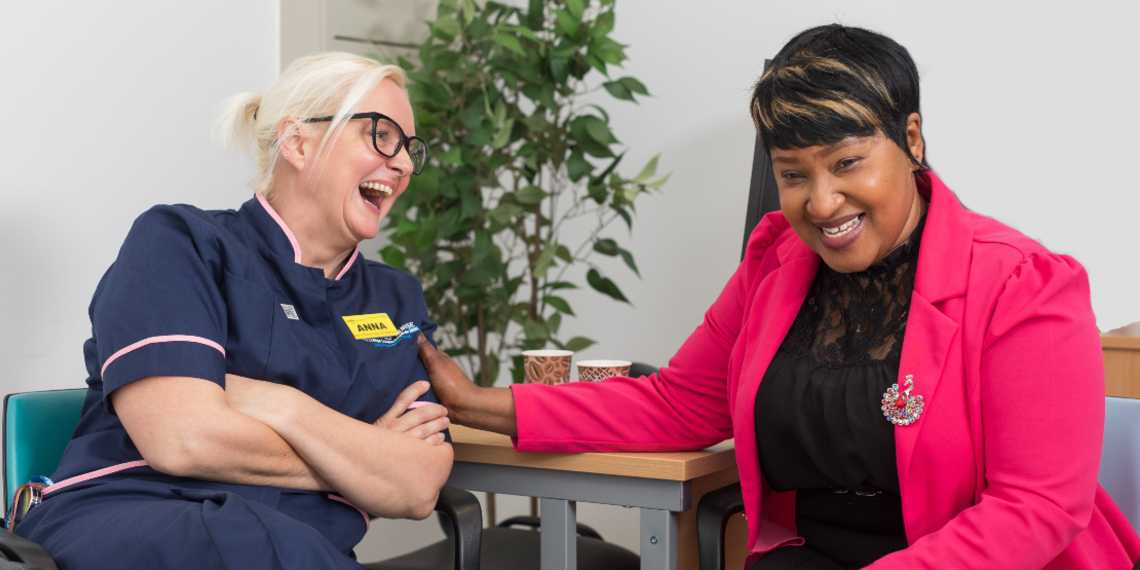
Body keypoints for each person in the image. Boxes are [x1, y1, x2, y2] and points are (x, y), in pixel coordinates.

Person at [417, 25, 1140, 569]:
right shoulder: (776, 263)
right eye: (794, 174)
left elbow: (1037, 508)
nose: (822, 203)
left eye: (848, 163)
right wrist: (480, 403)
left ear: (911, 138)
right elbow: (677, 403)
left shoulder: (1023, 283)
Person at [13, 52, 453, 570]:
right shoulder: (181, 243)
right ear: (297, 142)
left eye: (408, 147)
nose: (402, 163)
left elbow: (418, 484)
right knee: (264, 545)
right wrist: (367, 458)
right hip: (135, 514)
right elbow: (181, 439)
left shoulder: (396, 299)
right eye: (380, 135)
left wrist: (282, 405)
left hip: (300, 547)